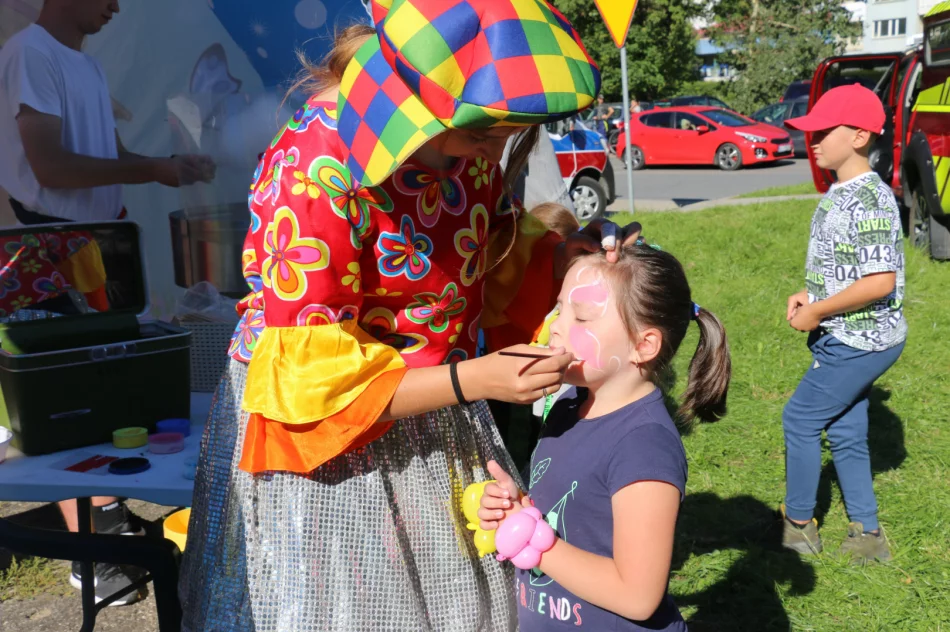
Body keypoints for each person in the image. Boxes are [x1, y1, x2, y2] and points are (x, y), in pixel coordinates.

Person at [178, 3, 641, 630]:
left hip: (433, 409)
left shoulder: (461, 148)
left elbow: (476, 252)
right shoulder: (315, 171)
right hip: (333, 451)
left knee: (449, 594)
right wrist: (473, 380)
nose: (495, 149)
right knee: (356, 606)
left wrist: (561, 260)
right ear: (417, 105)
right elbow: (317, 389)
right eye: (485, 134)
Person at [0, 0, 215, 605]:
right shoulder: (30, 55)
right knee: (66, 398)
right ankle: (90, 557)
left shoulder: (81, 63)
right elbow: (50, 165)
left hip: (96, 242)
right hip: (47, 248)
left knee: (103, 386)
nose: (117, 6)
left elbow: (104, 151)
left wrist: (169, 166)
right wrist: (151, 170)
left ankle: (109, 521)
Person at [478, 243, 732, 631]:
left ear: (643, 346)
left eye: (581, 317)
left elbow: (638, 596)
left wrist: (532, 540)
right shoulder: (568, 404)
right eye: (560, 308)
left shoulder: (644, 447)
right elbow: (573, 507)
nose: (557, 327)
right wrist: (521, 506)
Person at [781, 84, 906, 563]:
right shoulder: (842, 190)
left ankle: (798, 526)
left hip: (860, 340)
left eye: (822, 131)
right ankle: (868, 536)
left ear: (857, 136)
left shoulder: (870, 199)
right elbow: (847, 266)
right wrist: (812, 294)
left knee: (799, 418)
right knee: (848, 431)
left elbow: (878, 282)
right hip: (847, 333)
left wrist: (816, 312)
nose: (811, 140)